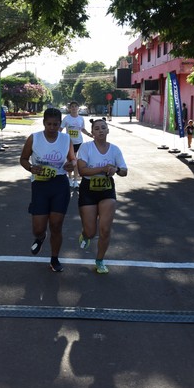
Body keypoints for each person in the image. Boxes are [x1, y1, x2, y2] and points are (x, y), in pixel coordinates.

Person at [19, 107, 76, 273]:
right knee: (38, 228)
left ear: (60, 124)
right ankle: (41, 237)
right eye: (49, 124)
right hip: (40, 184)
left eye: (55, 124)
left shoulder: (66, 139)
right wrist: (31, 168)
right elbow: (23, 159)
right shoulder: (34, 138)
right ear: (44, 123)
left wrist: (70, 165)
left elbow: (73, 160)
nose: (52, 128)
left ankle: (54, 258)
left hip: (59, 184)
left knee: (56, 225)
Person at [76, 117, 128, 274]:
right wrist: (103, 169)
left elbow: (124, 171)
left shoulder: (115, 150)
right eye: (96, 128)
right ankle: (85, 234)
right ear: (92, 132)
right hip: (88, 190)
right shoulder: (86, 148)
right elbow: (82, 171)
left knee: (105, 229)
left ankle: (100, 260)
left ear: (108, 130)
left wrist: (116, 170)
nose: (100, 130)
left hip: (107, 191)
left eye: (103, 128)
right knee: (91, 232)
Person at [60, 101, 93, 188]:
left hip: (78, 142)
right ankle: (70, 179)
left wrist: (89, 134)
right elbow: (60, 129)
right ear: (69, 108)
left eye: (75, 106)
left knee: (76, 161)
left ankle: (75, 180)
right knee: (70, 161)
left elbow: (82, 129)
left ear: (78, 108)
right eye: (72, 107)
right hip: (68, 143)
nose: (74, 108)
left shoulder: (81, 119)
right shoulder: (66, 118)